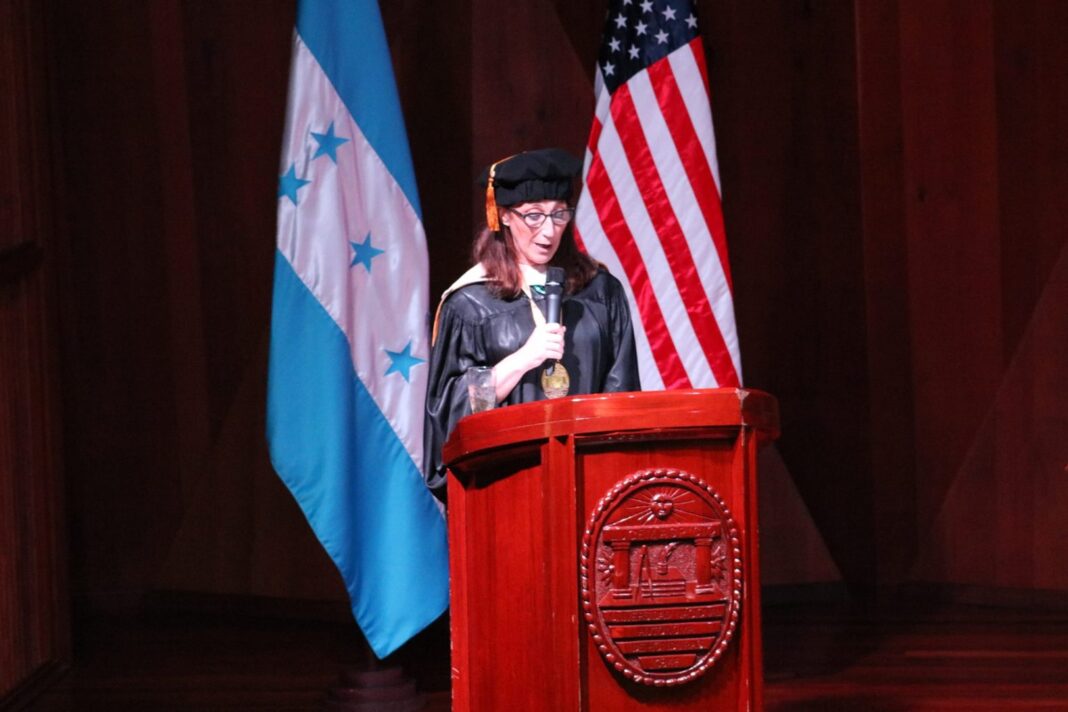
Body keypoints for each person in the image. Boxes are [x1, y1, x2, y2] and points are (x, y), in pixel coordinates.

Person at [423, 148, 640, 499]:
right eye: (534, 216)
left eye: (559, 215)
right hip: (505, 490)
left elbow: (623, 398)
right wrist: (524, 358)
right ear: (504, 216)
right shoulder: (470, 304)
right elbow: (448, 422)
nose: (548, 231)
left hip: (590, 489)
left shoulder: (599, 291)